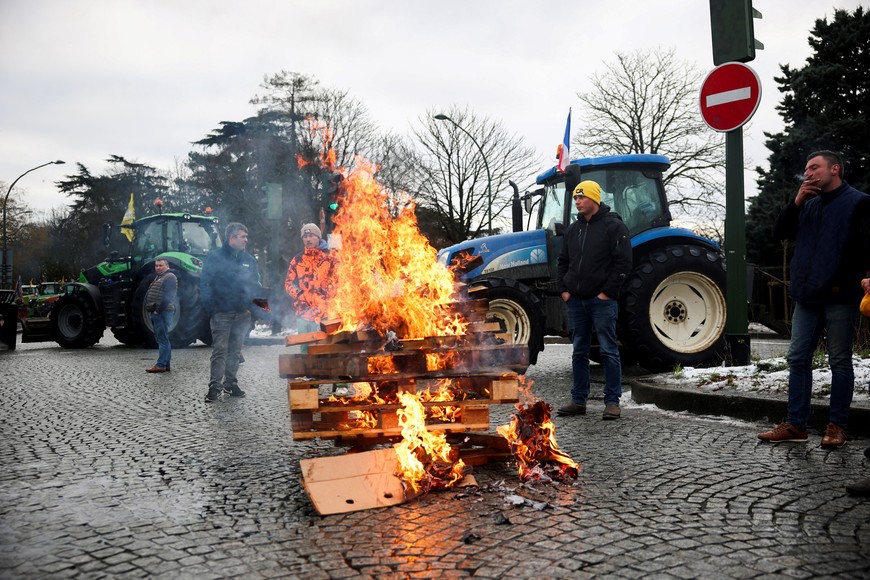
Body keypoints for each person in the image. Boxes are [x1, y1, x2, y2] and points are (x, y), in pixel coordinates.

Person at [758, 151, 870, 447]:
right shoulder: (807, 205)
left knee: (840, 361)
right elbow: (778, 234)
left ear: (835, 169)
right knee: (797, 358)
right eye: (806, 168)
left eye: (814, 167)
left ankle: (837, 426)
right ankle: (796, 424)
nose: (808, 173)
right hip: (806, 296)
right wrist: (796, 202)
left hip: (840, 295)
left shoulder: (859, 202)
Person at [555, 180, 632, 420]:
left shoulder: (614, 227)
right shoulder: (573, 229)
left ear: (594, 199)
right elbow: (563, 261)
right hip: (575, 301)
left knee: (608, 350)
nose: (577, 201)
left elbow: (623, 263)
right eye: (576, 198)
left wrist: (607, 293)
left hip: (602, 301)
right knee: (579, 351)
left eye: (581, 197)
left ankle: (612, 402)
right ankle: (578, 400)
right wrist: (564, 290)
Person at [200, 222, 263, 403]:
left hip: (242, 314)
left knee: (235, 351)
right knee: (220, 350)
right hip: (221, 313)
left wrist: (258, 309)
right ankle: (214, 387)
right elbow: (205, 284)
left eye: (246, 236)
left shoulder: (249, 260)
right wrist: (211, 308)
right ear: (232, 238)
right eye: (243, 236)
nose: (246, 240)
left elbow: (255, 286)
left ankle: (230, 383)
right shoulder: (214, 258)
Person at [284, 223, 337, 342]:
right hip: (304, 313)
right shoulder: (297, 260)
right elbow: (288, 283)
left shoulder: (330, 258)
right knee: (306, 350)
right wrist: (299, 295)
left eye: (311, 236)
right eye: (305, 237)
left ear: (318, 237)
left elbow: (339, 282)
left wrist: (327, 296)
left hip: (326, 313)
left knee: (326, 349)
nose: (308, 239)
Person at [145, 258, 177, 373]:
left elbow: (168, 297)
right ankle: (166, 364)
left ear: (167, 266)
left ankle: (161, 364)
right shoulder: (160, 277)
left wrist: (157, 311)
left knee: (162, 339)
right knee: (163, 339)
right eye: (156, 265)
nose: (158, 267)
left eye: (160, 265)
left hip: (162, 312)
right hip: (159, 312)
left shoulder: (169, 277)